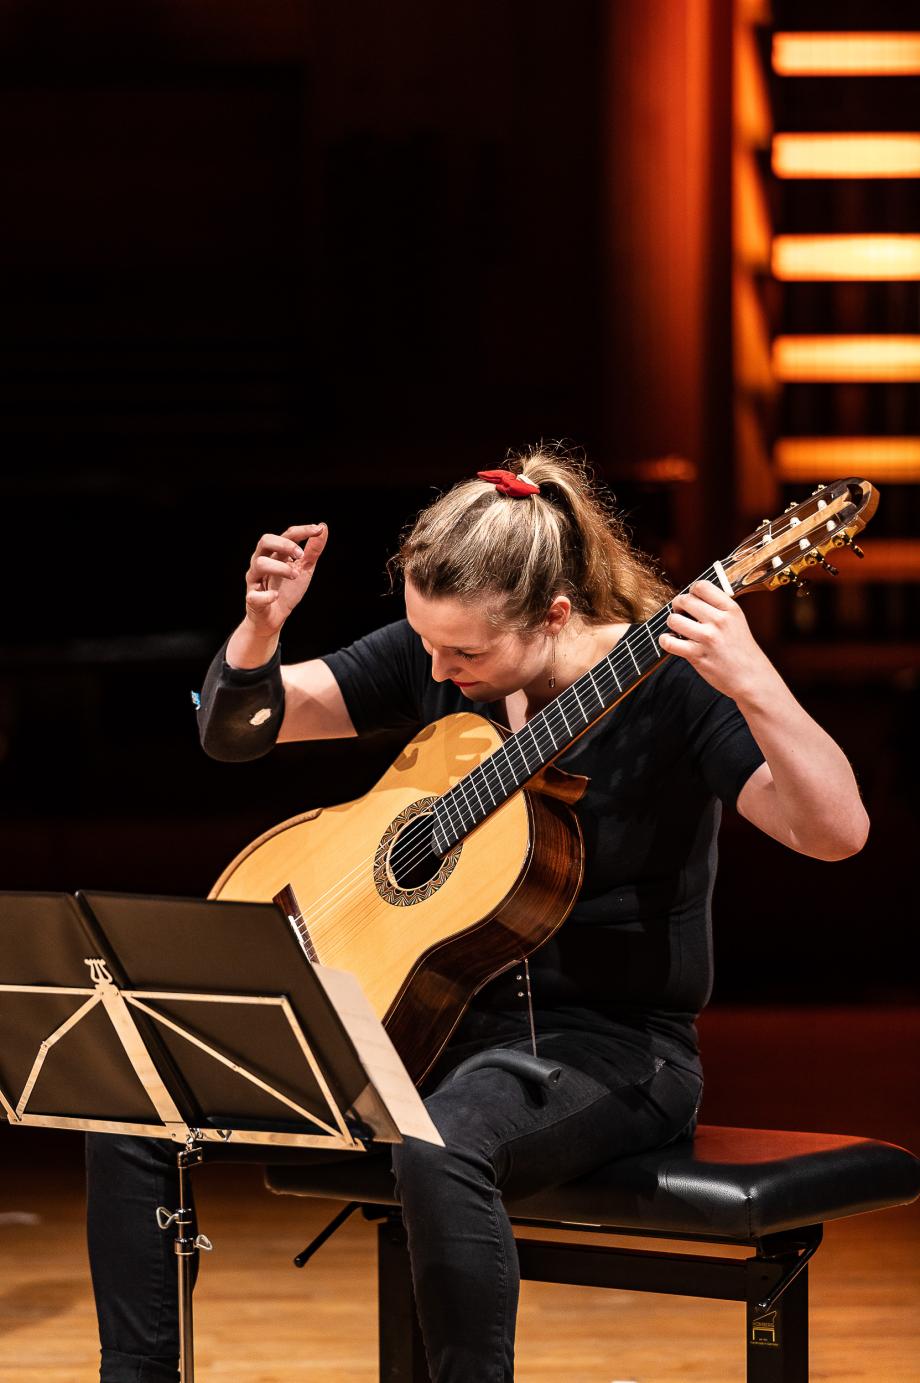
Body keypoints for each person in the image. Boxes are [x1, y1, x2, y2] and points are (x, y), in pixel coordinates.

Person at [86, 447, 869, 1383]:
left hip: (607, 1048)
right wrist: (260, 630)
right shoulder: (443, 653)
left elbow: (836, 832)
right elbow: (238, 729)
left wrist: (754, 679)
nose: (437, 669)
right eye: (426, 644)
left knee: (440, 1145)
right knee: (133, 1103)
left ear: (556, 616)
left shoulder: (670, 689)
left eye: (464, 653)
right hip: (417, 1028)